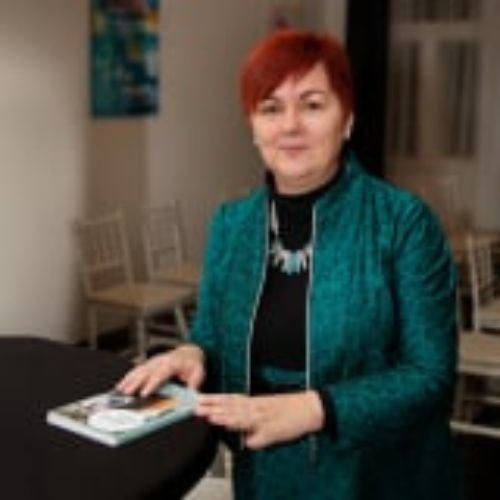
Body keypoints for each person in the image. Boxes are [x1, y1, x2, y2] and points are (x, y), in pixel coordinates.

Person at [117, 29, 461, 499]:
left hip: (376, 475)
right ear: (253, 126)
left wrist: (314, 409)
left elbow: (430, 375)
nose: (290, 125)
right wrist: (190, 354)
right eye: (271, 108)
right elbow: (211, 336)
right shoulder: (231, 224)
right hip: (265, 471)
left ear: (347, 118)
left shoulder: (403, 223)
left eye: (313, 105)